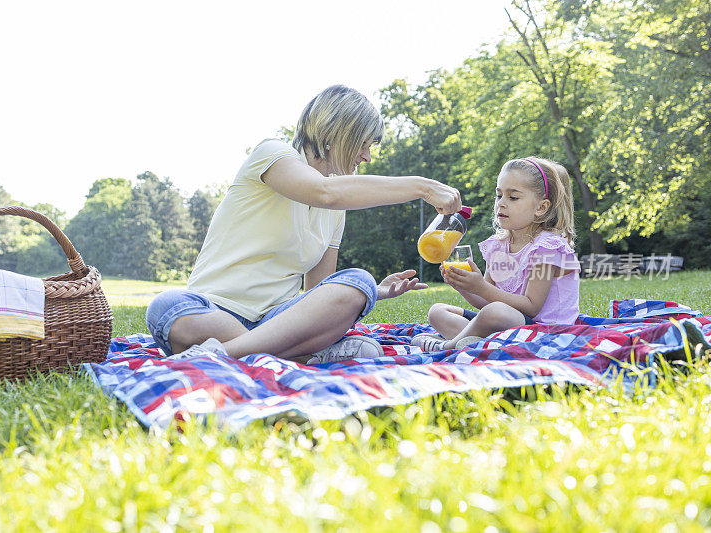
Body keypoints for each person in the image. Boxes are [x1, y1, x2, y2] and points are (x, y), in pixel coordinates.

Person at [146, 85, 462, 364]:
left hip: (277, 320)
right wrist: (421, 186)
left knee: (359, 282)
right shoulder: (273, 155)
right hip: (212, 311)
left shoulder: (337, 208)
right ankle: (295, 353)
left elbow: (316, 292)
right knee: (168, 307)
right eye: (363, 144)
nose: (366, 156)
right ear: (337, 134)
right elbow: (322, 192)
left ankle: (224, 354)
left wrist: (374, 292)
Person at [412, 156, 580, 352]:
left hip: (545, 331)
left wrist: (481, 287)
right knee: (438, 312)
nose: (501, 203)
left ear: (541, 208)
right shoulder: (498, 246)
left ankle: (448, 345)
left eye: (513, 197)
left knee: (496, 312)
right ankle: (472, 342)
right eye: (499, 195)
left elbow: (532, 307)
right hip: (508, 324)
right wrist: (465, 287)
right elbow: (485, 301)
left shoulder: (547, 248)